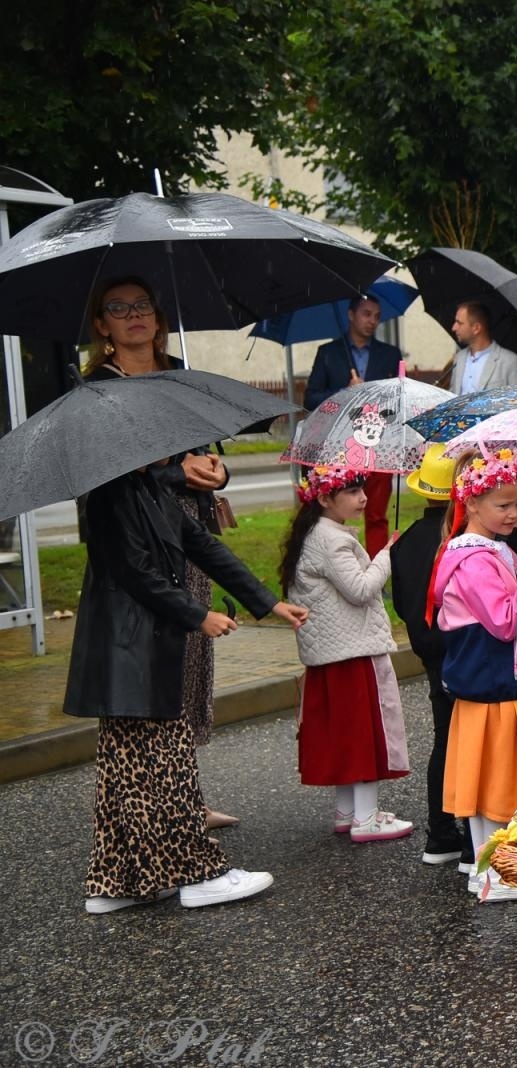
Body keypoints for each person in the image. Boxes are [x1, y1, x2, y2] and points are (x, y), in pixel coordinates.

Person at [65, 463, 308, 913]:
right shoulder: (109, 495)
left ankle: (116, 882)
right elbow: (135, 573)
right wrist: (198, 615)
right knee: (166, 771)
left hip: (137, 655)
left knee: (129, 776)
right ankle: (198, 875)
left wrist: (268, 602)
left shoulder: (145, 486)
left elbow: (202, 545)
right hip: (129, 656)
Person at [86, 276, 238, 832]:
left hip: (191, 536)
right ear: (102, 325)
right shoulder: (100, 389)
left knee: (194, 669)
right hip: (141, 545)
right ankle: (165, 804)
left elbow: (210, 456)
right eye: (118, 308)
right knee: (161, 670)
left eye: (143, 305)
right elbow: (110, 474)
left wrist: (216, 471)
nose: (134, 316)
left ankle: (186, 794)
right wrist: (178, 472)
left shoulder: (178, 374)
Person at [428, 449, 517, 902]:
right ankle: (496, 872)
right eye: (504, 505)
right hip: (495, 687)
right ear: (471, 503)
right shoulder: (476, 559)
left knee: (489, 783)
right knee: (498, 784)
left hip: (488, 686)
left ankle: (490, 867)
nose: (515, 512)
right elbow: (505, 621)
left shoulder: (484, 550)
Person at [282, 465, 412, 842]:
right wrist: (386, 554)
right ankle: (367, 819)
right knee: (364, 733)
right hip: (353, 652)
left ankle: (347, 812)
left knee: (343, 733)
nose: (364, 498)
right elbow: (360, 589)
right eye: (353, 492)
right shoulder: (333, 539)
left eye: (362, 490)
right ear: (324, 499)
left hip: (330, 654)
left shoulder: (313, 534)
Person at [392, 444, 471, 866]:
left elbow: (402, 604)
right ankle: (478, 841)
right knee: (476, 742)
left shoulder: (403, 543)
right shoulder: (462, 541)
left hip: (430, 654)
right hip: (467, 653)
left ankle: (440, 834)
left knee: (445, 739)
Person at [303, 294, 405, 555]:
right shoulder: (328, 353)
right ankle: (337, 559)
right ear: (351, 315)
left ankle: (376, 568)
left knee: (376, 512)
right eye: (366, 314)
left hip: (378, 443)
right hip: (338, 445)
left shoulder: (389, 354)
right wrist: (344, 392)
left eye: (377, 316)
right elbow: (311, 397)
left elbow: (398, 399)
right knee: (336, 510)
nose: (372, 321)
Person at [447, 301, 517, 395]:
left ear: (476, 328)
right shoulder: (459, 358)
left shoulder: (511, 362)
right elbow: (452, 396)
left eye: (459, 323)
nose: (454, 328)